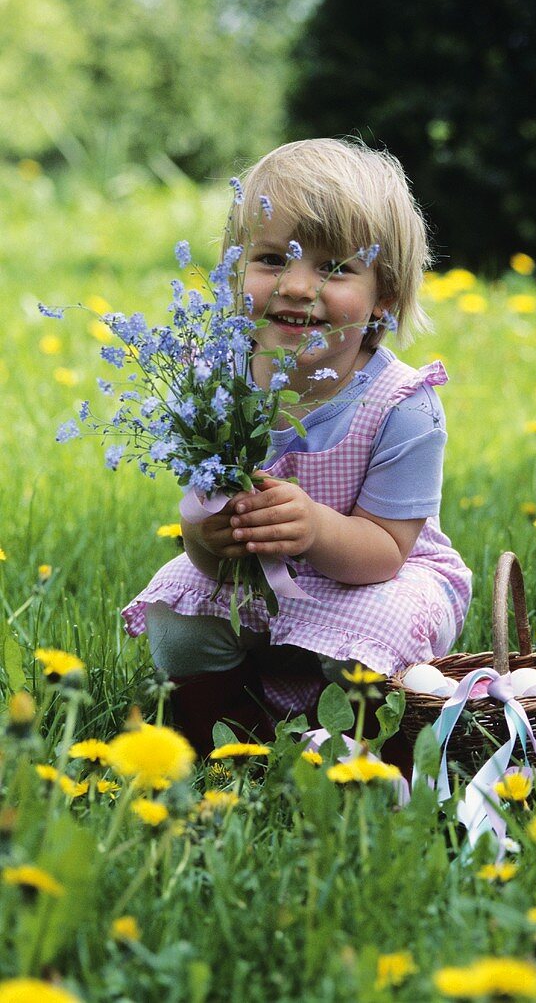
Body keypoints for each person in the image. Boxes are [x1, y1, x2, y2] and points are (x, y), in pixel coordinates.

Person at [122, 138, 472, 762]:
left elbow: (387, 552)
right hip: (259, 580)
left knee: (374, 631)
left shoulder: (403, 405)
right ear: (235, 273)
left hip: (375, 575)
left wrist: (310, 528)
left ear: (383, 298)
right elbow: (202, 533)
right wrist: (210, 539)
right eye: (269, 259)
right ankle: (228, 737)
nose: (296, 286)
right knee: (176, 613)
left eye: (335, 268)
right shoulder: (217, 383)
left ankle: (358, 748)